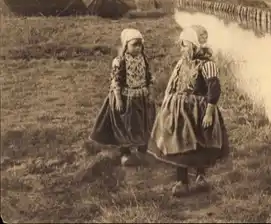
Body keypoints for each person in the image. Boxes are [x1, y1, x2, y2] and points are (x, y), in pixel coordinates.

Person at [147, 25, 230, 197]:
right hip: (179, 112)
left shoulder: (207, 65)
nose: (181, 48)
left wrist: (209, 112)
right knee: (179, 143)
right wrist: (167, 103)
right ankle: (181, 181)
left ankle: (201, 176)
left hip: (197, 110)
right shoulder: (181, 63)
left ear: (193, 45)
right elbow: (173, 83)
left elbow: (214, 89)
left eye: (184, 45)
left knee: (200, 142)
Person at [89, 28, 156, 166]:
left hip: (141, 96)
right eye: (134, 45)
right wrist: (118, 99)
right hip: (126, 98)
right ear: (126, 45)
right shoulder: (120, 61)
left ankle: (141, 151)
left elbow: (148, 77)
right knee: (125, 124)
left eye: (140, 45)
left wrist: (149, 92)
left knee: (142, 123)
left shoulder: (143, 59)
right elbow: (116, 81)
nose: (137, 48)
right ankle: (125, 152)